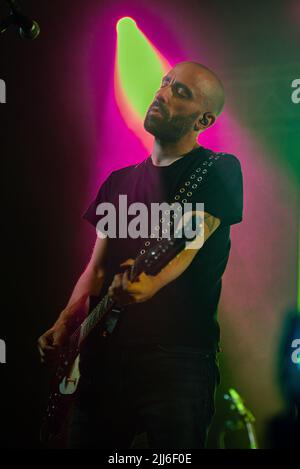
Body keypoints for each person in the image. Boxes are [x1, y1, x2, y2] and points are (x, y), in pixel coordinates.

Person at [38, 61, 243, 449]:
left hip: (176, 358)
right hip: (102, 362)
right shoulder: (118, 181)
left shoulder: (216, 169)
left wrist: (150, 282)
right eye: (165, 84)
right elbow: (97, 270)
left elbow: (190, 240)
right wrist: (67, 321)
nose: (162, 93)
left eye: (181, 92)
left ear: (205, 119)